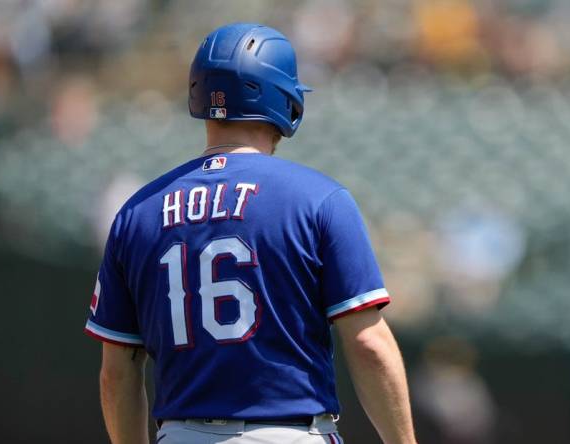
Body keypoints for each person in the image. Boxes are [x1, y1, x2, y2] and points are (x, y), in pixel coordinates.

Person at [84, 22, 416, 444]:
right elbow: (368, 345)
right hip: (290, 433)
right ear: (282, 96)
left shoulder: (137, 212)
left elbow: (118, 372)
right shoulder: (318, 198)